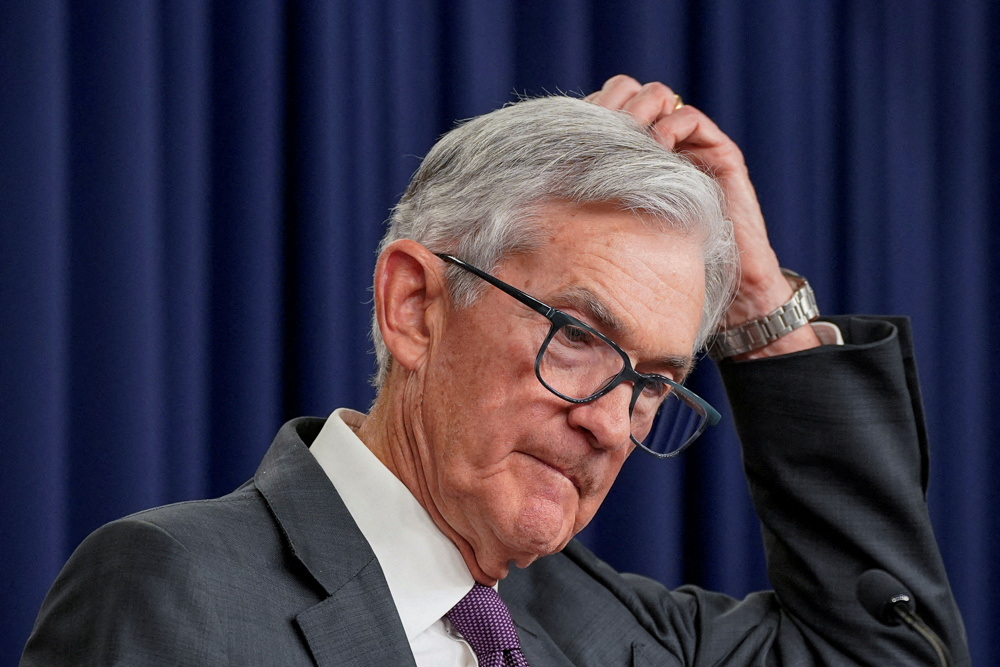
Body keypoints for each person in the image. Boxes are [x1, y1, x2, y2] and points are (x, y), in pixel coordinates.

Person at [22, 75, 969, 666]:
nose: (611, 424)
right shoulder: (174, 590)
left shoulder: (609, 630)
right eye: (578, 334)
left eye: (652, 382)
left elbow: (884, 646)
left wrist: (760, 309)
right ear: (416, 308)